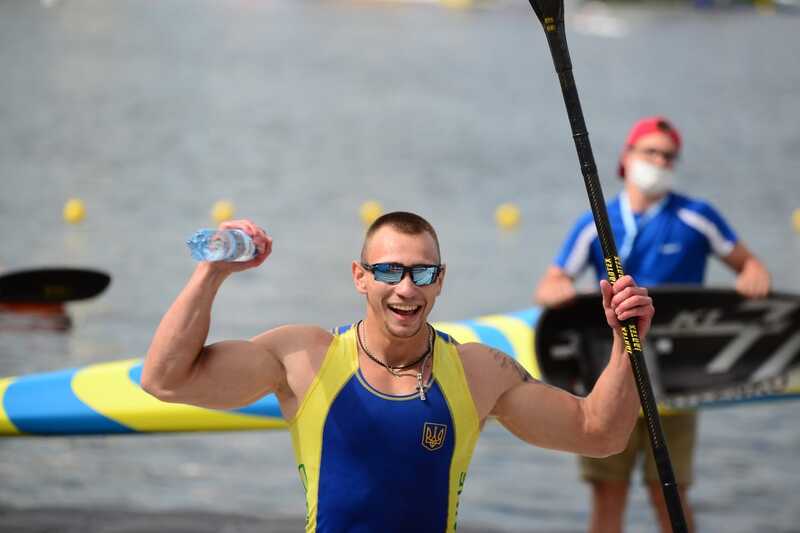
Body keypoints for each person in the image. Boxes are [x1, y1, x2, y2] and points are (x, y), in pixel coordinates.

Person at [142, 211, 655, 533]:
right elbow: (164, 379)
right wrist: (211, 270)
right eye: (389, 271)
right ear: (360, 277)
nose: (406, 288)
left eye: (422, 273)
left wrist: (624, 341)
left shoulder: (478, 372)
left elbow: (601, 433)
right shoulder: (304, 359)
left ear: (440, 281)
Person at [534, 116, 771, 533]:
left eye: (668, 155)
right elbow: (551, 282)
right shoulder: (597, 221)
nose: (660, 161)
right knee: (608, 493)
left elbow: (748, 264)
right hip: (610, 373)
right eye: (651, 152)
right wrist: (556, 291)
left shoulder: (697, 217)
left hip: (676, 378)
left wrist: (753, 275)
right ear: (627, 158)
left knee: (671, 493)